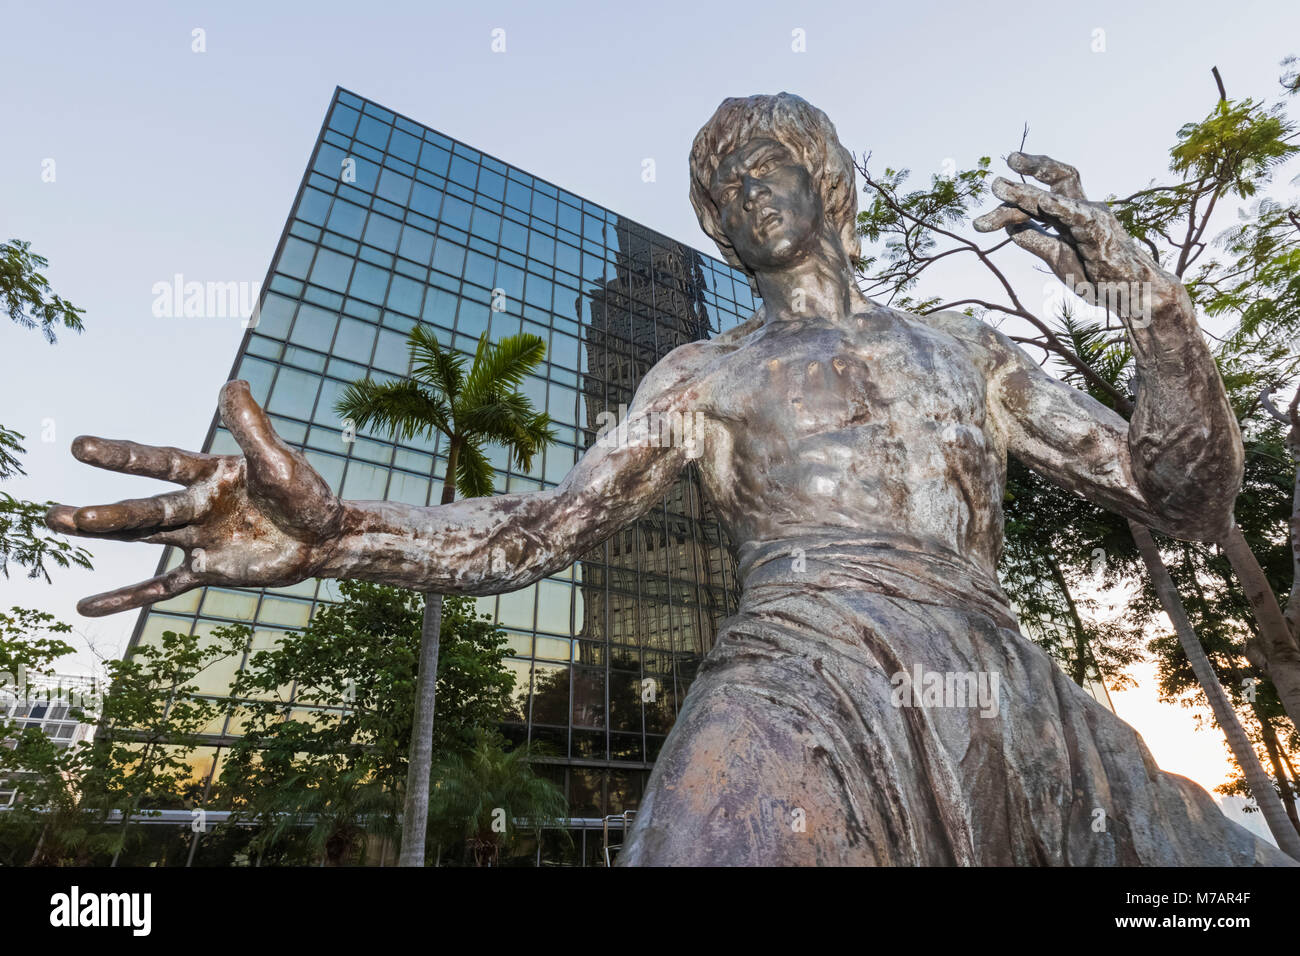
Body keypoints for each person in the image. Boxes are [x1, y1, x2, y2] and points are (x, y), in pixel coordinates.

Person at [49, 93, 1292, 865]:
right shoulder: (704, 373)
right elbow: (538, 527)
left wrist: (1148, 300)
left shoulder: (966, 352)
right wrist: (335, 532)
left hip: (990, 679)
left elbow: (1178, 495)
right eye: (721, 186)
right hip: (794, 676)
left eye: (765, 162)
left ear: (828, 182)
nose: (743, 191)